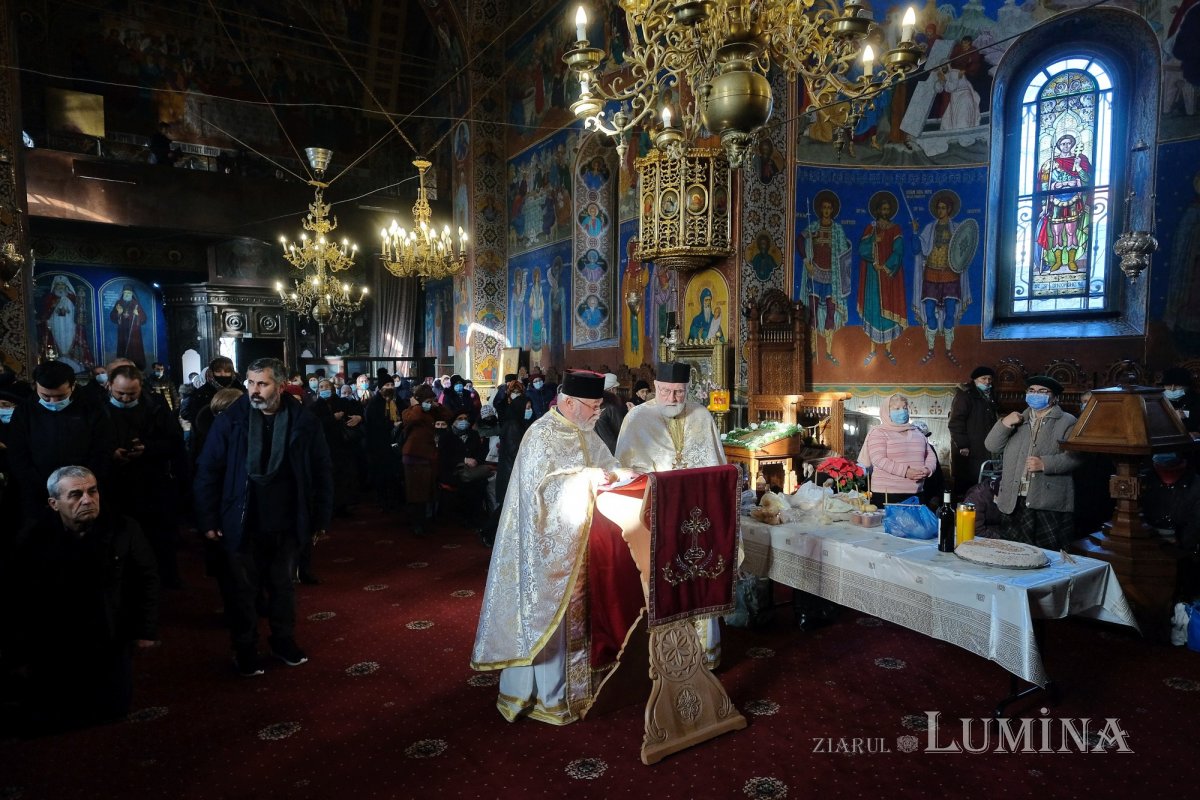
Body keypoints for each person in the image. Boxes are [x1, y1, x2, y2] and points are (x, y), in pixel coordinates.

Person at [471, 371, 624, 724]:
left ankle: (580, 688)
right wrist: (588, 481)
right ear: (568, 403)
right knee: (548, 620)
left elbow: (607, 465)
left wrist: (618, 474)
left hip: (584, 543)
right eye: (593, 407)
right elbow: (542, 495)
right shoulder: (541, 435)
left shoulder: (587, 431)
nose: (597, 414)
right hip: (546, 551)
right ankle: (547, 696)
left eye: (601, 406)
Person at [193, 357, 333, 676]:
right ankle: (244, 647)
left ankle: (282, 640)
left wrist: (321, 518)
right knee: (243, 590)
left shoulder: (303, 421)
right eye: (251, 383)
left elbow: (322, 471)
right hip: (241, 518)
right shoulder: (232, 420)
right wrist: (208, 519)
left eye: (263, 384)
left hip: (286, 520)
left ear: (280, 386)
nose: (254, 391)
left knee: (283, 586)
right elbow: (208, 471)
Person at [12, 466, 159, 733]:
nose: (87, 500)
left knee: (113, 710)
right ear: (54, 504)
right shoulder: (35, 538)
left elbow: (147, 579)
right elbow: (21, 595)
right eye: (76, 494)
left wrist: (145, 629)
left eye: (93, 491)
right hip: (58, 631)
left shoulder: (124, 528)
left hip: (111, 628)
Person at [615, 360, 727, 666]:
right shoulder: (637, 419)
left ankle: (703, 653)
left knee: (700, 577)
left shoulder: (702, 417)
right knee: (661, 582)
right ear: (656, 389)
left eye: (679, 392)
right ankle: (662, 655)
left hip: (697, 520)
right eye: (666, 391)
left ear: (687, 390)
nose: (673, 399)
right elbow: (624, 473)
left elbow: (717, 468)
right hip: (656, 520)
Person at [104, 364, 187, 588]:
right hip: (112, 483)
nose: (124, 398)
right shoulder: (96, 407)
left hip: (151, 482)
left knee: (157, 536)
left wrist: (147, 448)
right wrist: (110, 453)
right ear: (109, 385)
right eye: (119, 393)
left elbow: (175, 441)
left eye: (131, 394)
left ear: (141, 388)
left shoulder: (156, 406)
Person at [7, 360, 116, 519]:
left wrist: (80, 487)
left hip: (83, 492)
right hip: (37, 494)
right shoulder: (24, 412)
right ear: (35, 386)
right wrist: (43, 489)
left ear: (73, 386)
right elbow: (18, 455)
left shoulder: (92, 408)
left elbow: (103, 450)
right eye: (45, 396)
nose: (53, 402)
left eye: (60, 396)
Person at [985, 375, 1083, 550]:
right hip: (1014, 500)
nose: (1035, 394)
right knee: (1014, 553)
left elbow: (1077, 457)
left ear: (1055, 397)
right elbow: (991, 445)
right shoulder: (1018, 420)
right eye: (1031, 391)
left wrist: (1045, 464)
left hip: (1047, 501)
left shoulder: (1068, 421)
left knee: (1046, 556)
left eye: (1042, 391)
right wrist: (1004, 423)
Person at [912, 191, 971, 366]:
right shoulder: (930, 228)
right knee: (930, 312)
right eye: (938, 208)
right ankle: (930, 349)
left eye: (943, 208)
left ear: (950, 209)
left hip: (950, 274)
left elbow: (964, 252)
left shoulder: (958, 229)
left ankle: (948, 350)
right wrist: (915, 231)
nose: (940, 211)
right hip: (931, 273)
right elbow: (918, 250)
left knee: (950, 313)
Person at [798, 191, 852, 365]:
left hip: (831, 277)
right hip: (815, 274)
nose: (827, 210)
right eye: (824, 207)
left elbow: (845, 253)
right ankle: (813, 351)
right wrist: (806, 260)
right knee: (812, 312)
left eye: (830, 208)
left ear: (833, 210)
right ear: (820, 209)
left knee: (830, 311)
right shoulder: (813, 227)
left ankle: (828, 351)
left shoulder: (837, 230)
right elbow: (800, 240)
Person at [860, 394, 938, 504]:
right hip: (887, 494)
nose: (902, 411)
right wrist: (906, 472)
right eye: (897, 408)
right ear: (886, 412)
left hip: (916, 492)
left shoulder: (917, 432)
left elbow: (930, 455)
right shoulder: (878, 432)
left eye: (905, 408)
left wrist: (928, 470)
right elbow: (878, 459)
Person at [858, 191, 906, 365]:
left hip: (888, 275)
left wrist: (885, 266)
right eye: (882, 208)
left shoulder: (896, 229)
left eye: (888, 209)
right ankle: (872, 350)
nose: (885, 211)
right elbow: (862, 250)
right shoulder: (871, 229)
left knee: (888, 311)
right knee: (873, 310)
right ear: (877, 210)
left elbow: (898, 251)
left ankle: (888, 350)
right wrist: (873, 241)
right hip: (873, 276)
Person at [401, 384, 452, 537]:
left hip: (428, 456)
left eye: (431, 401)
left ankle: (424, 521)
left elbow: (449, 415)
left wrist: (437, 405)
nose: (429, 404)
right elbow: (414, 417)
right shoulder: (410, 411)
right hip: (413, 456)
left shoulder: (432, 412)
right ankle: (416, 523)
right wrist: (417, 405)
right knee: (415, 492)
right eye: (427, 401)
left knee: (426, 492)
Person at [1037, 133, 1092, 274]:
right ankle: (1058, 261)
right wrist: (1045, 204)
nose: (1066, 146)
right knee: (1056, 233)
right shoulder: (1050, 163)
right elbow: (1044, 185)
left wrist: (1078, 167)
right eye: (1063, 144)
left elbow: (1086, 181)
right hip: (1056, 203)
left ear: (1072, 145)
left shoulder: (1079, 160)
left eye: (1069, 143)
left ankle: (1072, 262)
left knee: (1071, 232)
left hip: (1073, 201)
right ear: (1058, 146)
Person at [948, 366, 1000, 498]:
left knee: (981, 485)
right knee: (967, 485)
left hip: (982, 447)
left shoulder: (989, 396)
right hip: (968, 449)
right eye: (984, 378)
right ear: (975, 380)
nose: (987, 381)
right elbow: (955, 422)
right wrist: (962, 444)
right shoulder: (965, 396)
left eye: (989, 379)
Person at [436, 410, 491, 525]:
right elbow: (444, 458)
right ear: (454, 422)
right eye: (460, 419)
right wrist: (463, 460)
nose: (463, 421)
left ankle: (475, 516)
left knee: (480, 483)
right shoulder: (446, 437)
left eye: (465, 418)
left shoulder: (473, 435)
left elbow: (480, 453)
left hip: (472, 470)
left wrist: (475, 460)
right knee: (464, 485)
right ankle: (462, 517)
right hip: (453, 471)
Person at [180, 356, 240, 423]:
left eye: (227, 371)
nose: (223, 374)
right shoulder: (201, 393)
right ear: (211, 372)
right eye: (218, 371)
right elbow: (195, 418)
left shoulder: (241, 391)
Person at [108, 285, 148, 367]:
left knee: (134, 349)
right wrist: (118, 313)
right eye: (125, 293)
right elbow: (112, 316)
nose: (127, 294)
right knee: (123, 348)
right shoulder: (119, 303)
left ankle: (137, 365)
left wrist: (137, 315)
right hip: (122, 331)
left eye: (129, 293)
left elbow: (144, 318)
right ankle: (122, 365)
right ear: (123, 293)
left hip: (134, 332)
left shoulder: (136, 303)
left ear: (132, 294)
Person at [594, 373, 626, 455]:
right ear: (612, 390)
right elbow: (621, 430)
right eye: (615, 389)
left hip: (596, 451)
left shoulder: (594, 405)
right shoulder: (613, 406)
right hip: (613, 450)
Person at [1161, 366, 1200, 434]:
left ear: (1187, 386)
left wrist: (1184, 418)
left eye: (1177, 385)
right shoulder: (1159, 401)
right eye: (1168, 385)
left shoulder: (1197, 401)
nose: (1172, 389)